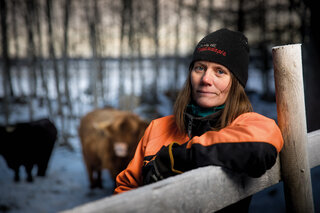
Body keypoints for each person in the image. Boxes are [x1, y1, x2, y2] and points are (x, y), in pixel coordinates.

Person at [114, 28, 283, 212]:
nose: (205, 79)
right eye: (199, 67)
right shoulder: (158, 127)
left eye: (220, 71)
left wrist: (177, 158)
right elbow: (126, 189)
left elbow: (259, 148)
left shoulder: (247, 123)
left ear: (236, 83)